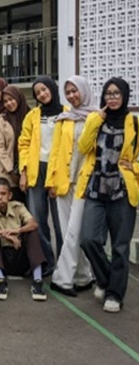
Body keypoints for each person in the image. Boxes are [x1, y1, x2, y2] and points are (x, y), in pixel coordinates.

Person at [78, 77, 138, 313]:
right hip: (96, 188)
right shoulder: (96, 120)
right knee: (88, 239)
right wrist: (95, 119)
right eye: (108, 93)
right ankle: (105, 280)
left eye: (116, 93)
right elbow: (83, 147)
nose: (112, 98)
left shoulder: (134, 123)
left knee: (120, 247)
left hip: (122, 191)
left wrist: (135, 167)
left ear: (124, 95)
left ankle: (114, 294)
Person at [47, 76, 97, 297]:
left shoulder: (96, 117)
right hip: (63, 182)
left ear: (84, 91)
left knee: (75, 232)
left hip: (85, 183)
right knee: (69, 231)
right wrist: (51, 181)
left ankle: (61, 279)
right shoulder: (64, 119)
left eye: (74, 91)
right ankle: (83, 277)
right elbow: (55, 152)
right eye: (67, 92)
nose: (71, 96)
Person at [19, 76, 66, 274]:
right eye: (38, 92)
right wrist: (23, 172)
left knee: (60, 221)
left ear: (52, 89)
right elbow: (23, 143)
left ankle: (64, 265)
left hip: (59, 171)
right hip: (35, 170)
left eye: (44, 89)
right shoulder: (33, 115)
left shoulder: (67, 114)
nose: (42, 94)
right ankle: (46, 262)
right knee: (37, 219)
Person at [0, 178, 47, 301]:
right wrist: (4, 234)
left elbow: (33, 224)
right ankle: (0, 280)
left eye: (3, 194)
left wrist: (18, 230)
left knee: (31, 232)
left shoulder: (18, 207)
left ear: (10, 195)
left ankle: (37, 280)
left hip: (19, 256)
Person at [0, 85, 29, 202]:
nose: (9, 103)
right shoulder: (2, 121)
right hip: (8, 174)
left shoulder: (31, 117)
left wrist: (24, 171)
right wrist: (11, 171)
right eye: (5, 101)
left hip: (30, 172)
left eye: (11, 99)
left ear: (18, 98)